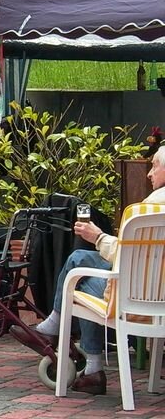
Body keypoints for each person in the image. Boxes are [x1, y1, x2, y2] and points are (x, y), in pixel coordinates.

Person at [11, 146, 165, 395]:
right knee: (80, 257)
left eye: (154, 165)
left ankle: (77, 353)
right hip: (161, 296)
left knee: (79, 278)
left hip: (135, 299)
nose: (149, 173)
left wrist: (98, 236)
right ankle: (72, 349)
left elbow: (127, 255)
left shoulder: (146, 210)